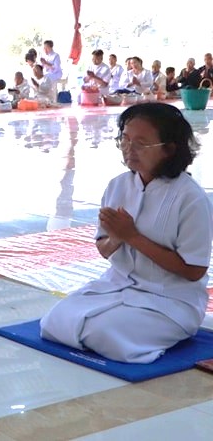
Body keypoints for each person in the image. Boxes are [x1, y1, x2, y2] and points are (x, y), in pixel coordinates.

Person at [40, 103, 211, 363]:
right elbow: (103, 247)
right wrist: (117, 238)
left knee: (104, 333)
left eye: (141, 143)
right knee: (54, 320)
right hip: (116, 287)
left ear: (169, 149)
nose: (129, 149)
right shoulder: (118, 186)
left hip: (170, 301)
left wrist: (133, 237)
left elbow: (194, 271)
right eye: (125, 139)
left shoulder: (190, 198)